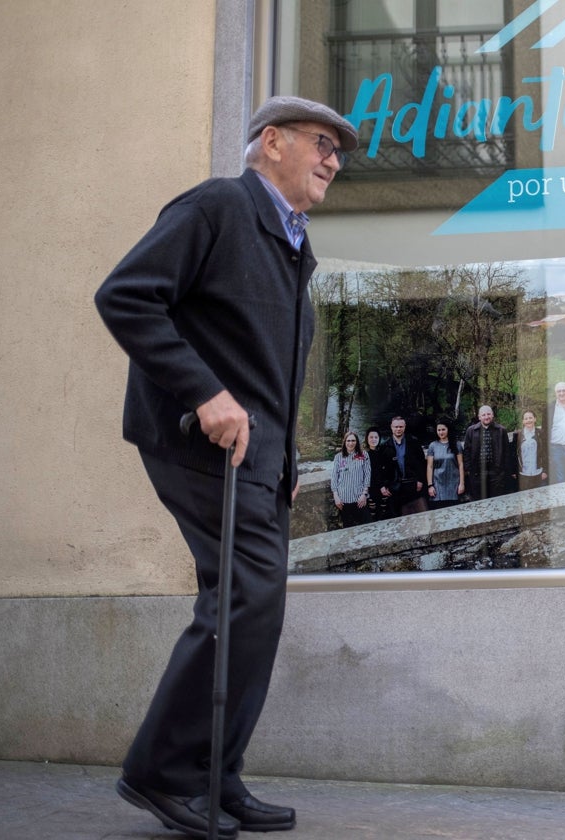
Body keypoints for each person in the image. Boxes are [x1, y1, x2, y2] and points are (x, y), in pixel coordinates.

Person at [94, 95, 358, 838]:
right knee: (242, 600)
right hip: (194, 440)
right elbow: (125, 297)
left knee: (254, 610)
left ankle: (214, 776)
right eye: (320, 143)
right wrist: (206, 394)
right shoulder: (217, 207)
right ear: (269, 142)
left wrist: (284, 458)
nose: (332, 160)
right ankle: (160, 772)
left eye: (338, 150)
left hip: (254, 458)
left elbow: (269, 364)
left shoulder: (293, 243)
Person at [374, 415, 428, 516]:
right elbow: (378, 469)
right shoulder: (385, 447)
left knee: (421, 516)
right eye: (396, 427)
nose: (398, 429)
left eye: (401, 427)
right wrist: (382, 486)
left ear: (404, 427)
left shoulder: (413, 442)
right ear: (391, 427)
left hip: (413, 485)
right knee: (399, 518)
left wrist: (420, 480)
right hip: (395, 487)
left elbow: (421, 463)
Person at [462, 405, 512, 500]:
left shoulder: (501, 430)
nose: (486, 417)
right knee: (480, 502)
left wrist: (504, 472)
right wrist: (469, 470)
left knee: (497, 501)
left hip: (496, 474)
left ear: (492, 415)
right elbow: (467, 451)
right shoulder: (471, 431)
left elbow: (506, 453)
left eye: (488, 414)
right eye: (483, 415)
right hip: (478, 474)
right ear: (479, 417)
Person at [331, 430, 371, 528]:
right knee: (348, 528)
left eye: (353, 440)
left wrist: (364, 494)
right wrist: (336, 496)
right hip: (344, 499)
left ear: (357, 442)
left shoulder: (364, 455)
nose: (350, 443)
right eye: (348, 441)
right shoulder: (338, 457)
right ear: (345, 442)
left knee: (366, 526)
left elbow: (367, 475)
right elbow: (334, 477)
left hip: (360, 499)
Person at [426, 419, 465, 507]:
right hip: (438, 485)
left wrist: (461, 484)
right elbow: (430, 466)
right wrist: (430, 485)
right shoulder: (433, 445)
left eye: (443, 429)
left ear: (448, 430)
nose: (441, 432)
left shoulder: (456, 444)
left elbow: (461, 464)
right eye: (438, 430)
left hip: (454, 484)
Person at [512, 409, 549, 491]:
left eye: (530, 418)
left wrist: (545, 471)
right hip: (523, 474)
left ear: (535, 419)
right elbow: (514, 455)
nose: (528, 420)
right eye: (526, 418)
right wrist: (514, 471)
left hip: (539, 473)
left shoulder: (541, 433)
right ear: (523, 421)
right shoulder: (517, 435)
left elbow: (546, 453)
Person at [362, 426, 388, 520]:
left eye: (376, 437)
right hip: (372, 490)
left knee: (383, 514)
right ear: (367, 439)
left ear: (379, 438)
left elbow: (384, 471)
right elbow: (370, 474)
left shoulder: (382, 452)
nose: (374, 439)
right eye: (371, 437)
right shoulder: (365, 455)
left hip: (384, 489)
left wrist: (384, 485)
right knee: (373, 516)